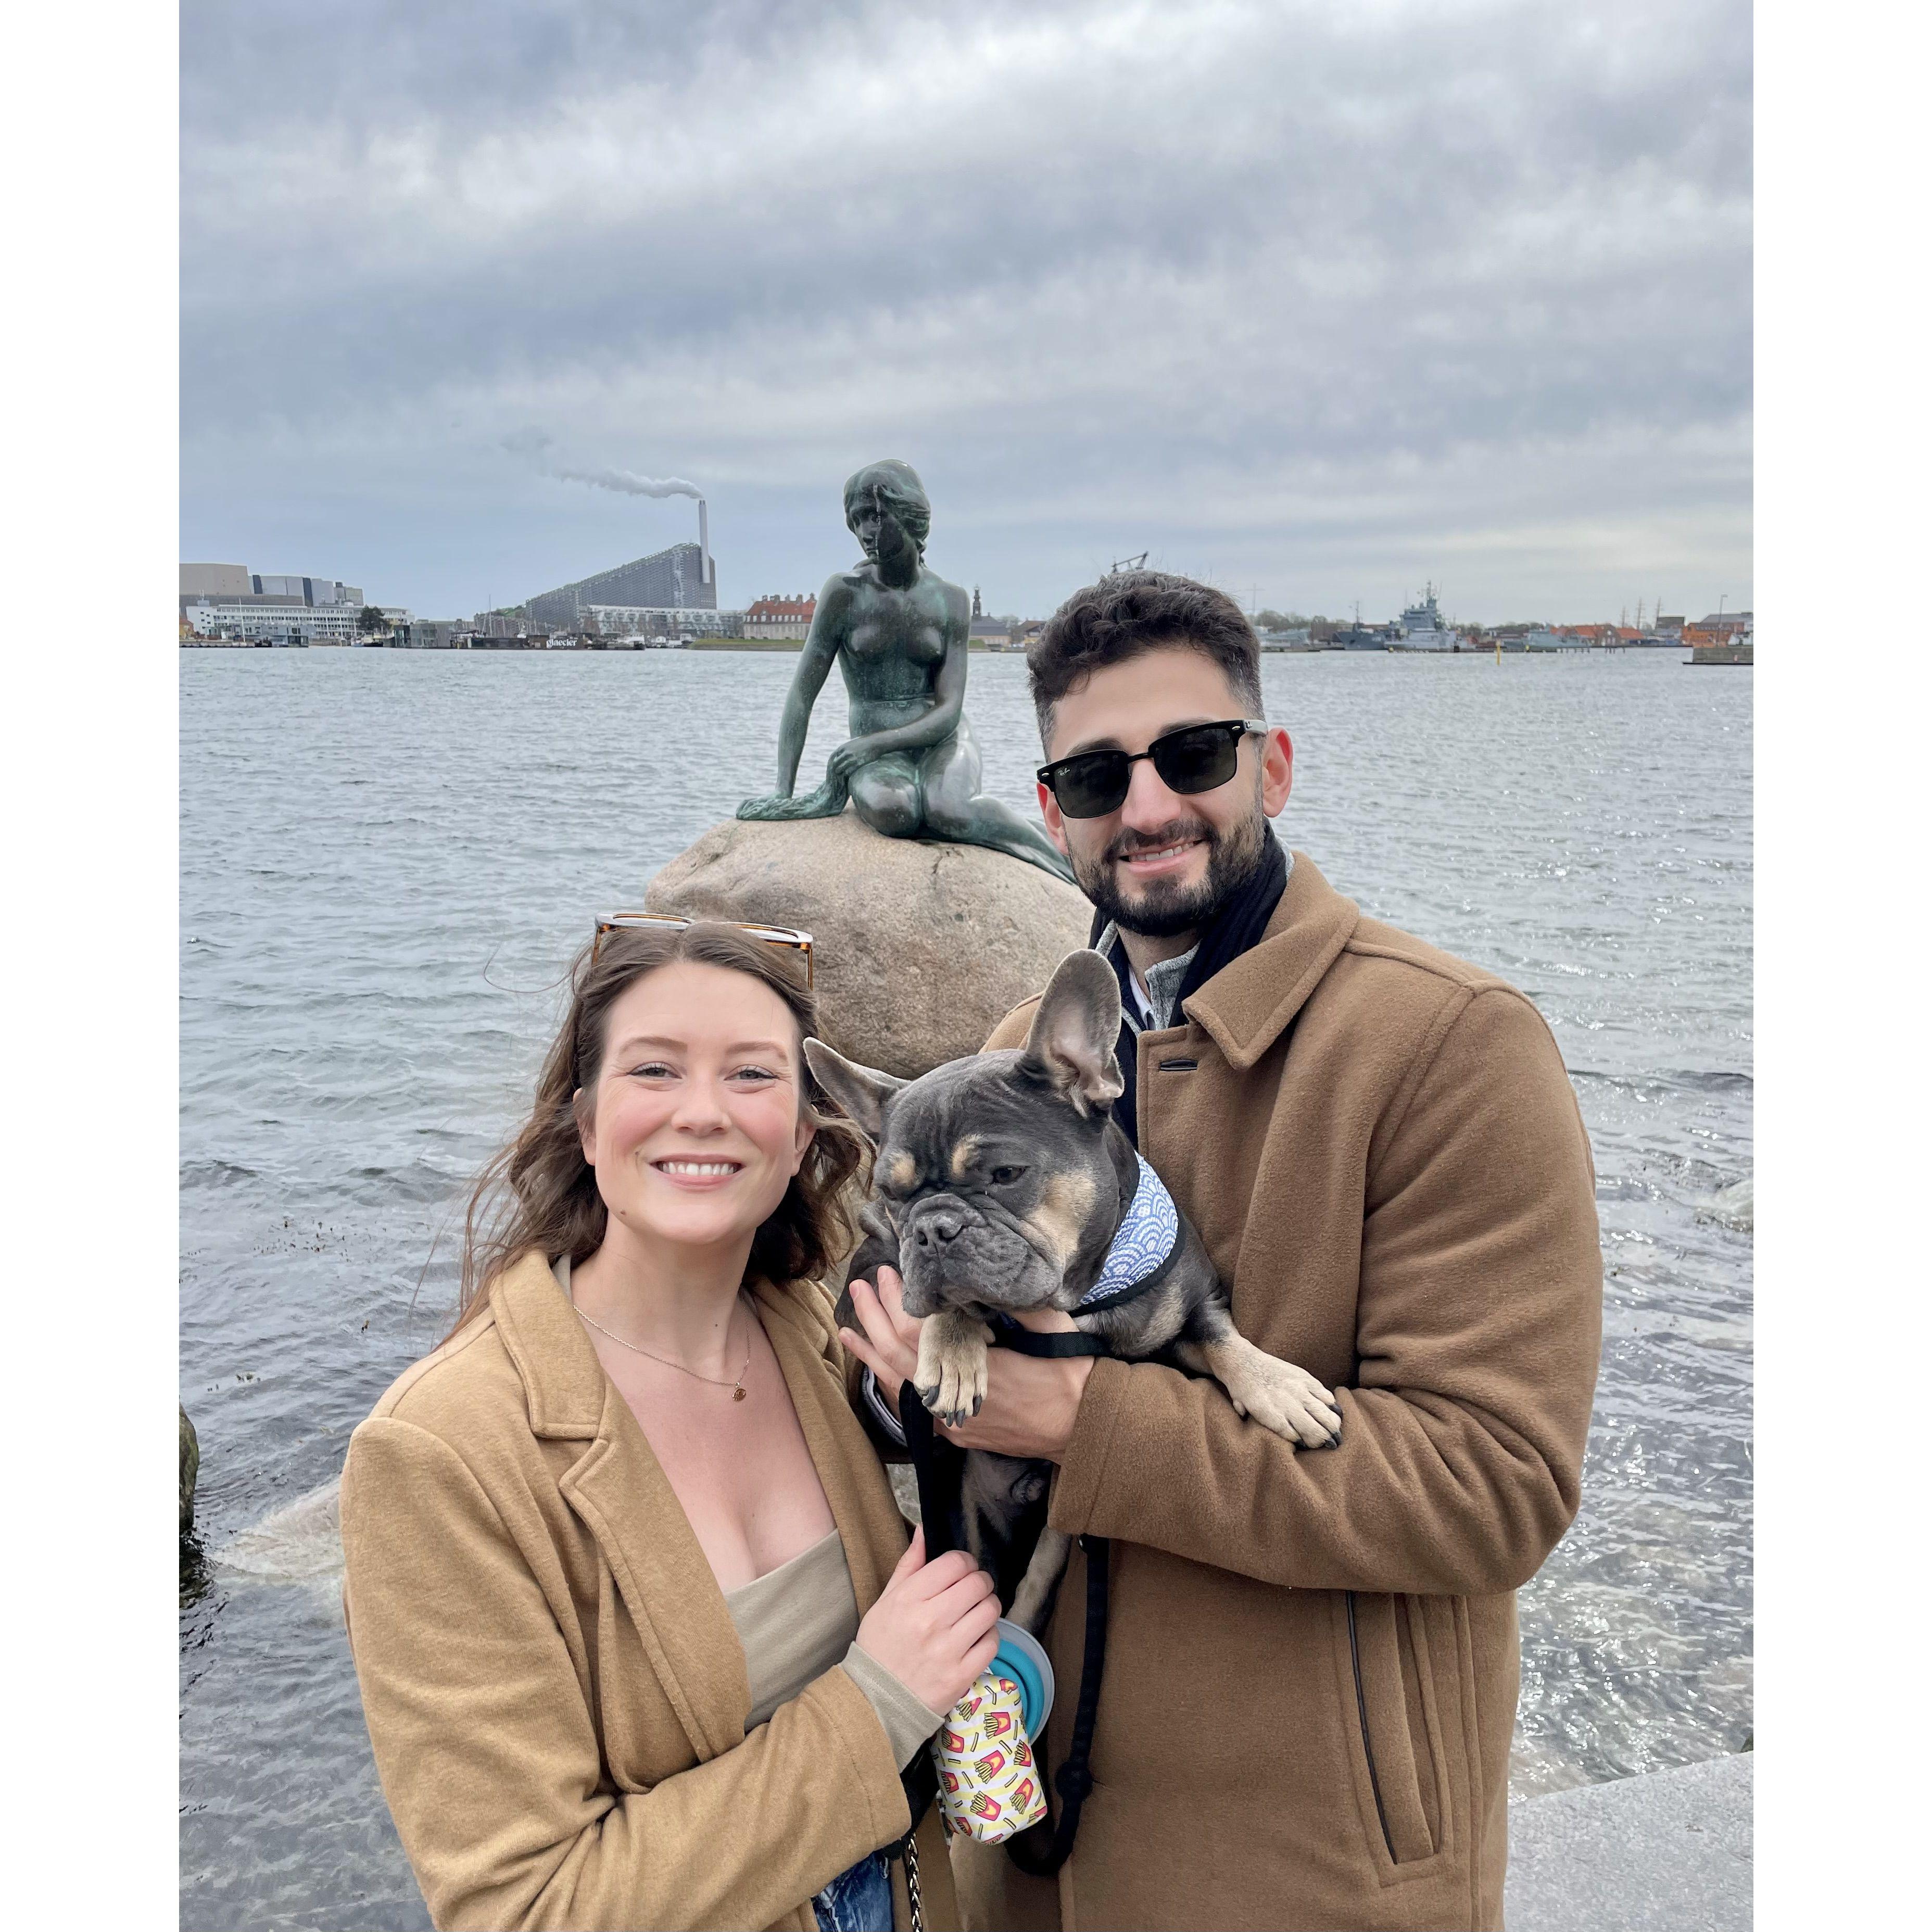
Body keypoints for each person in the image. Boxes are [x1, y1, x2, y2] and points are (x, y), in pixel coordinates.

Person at [838, 572, 1604, 1932]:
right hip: (1032, 1840)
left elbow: (1493, 1487)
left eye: (1190, 754)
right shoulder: (1019, 1053)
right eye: (1093, 775)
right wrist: (896, 1375)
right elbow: (902, 1335)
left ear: (1273, 764)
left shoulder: (1450, 1044)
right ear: (1051, 814)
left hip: (1311, 1872)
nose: (1144, 807)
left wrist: (1084, 1421)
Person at [339, 920, 991, 1931]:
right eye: (654, 1068)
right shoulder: (441, 1452)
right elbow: (527, 1908)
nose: (702, 1111)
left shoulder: (810, 1333)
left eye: (751, 1074)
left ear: (803, 1135)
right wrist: (876, 1706)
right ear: (586, 1123)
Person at [736, 458, 1072, 881]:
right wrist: (783, 791)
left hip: (941, 738)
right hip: (875, 750)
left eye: (875, 516)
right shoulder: (844, 594)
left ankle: (1067, 864)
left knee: (950, 809)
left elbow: (949, 709)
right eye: (857, 520)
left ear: (909, 514)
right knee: (895, 812)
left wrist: (870, 745)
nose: (865, 532)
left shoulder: (949, 600)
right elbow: (801, 696)